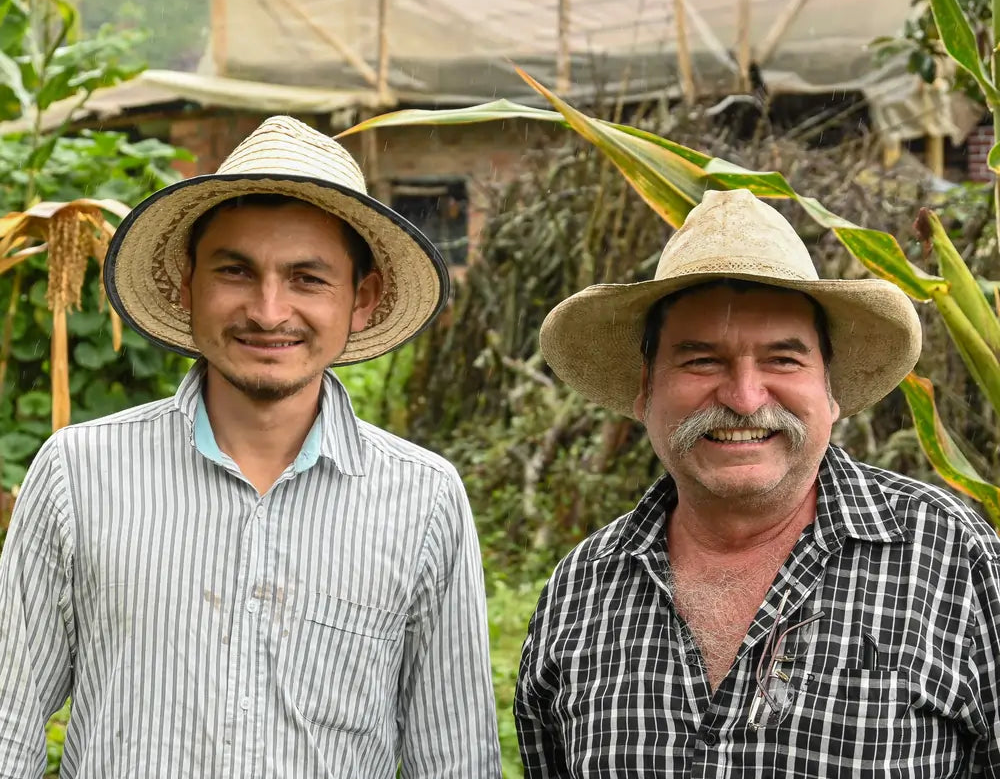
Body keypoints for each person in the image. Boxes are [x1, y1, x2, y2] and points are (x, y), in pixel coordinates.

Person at [0, 116, 501, 778]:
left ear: (363, 298)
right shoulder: (80, 474)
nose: (268, 312)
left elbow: (456, 760)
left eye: (307, 279)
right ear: (188, 284)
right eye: (236, 271)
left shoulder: (424, 498)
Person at [515, 187, 1000, 777]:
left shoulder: (951, 556)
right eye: (701, 360)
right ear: (646, 388)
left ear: (830, 387)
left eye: (782, 360)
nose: (745, 398)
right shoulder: (582, 590)